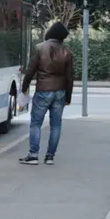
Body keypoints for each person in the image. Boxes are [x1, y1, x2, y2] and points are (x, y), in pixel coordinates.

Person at [18, 22, 74, 165]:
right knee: (56, 125)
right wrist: (68, 97)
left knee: (36, 123)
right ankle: (50, 157)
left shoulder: (40, 48)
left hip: (43, 90)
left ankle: (33, 155)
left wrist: (24, 88)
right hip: (60, 92)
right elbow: (70, 77)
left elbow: (31, 71)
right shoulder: (67, 52)